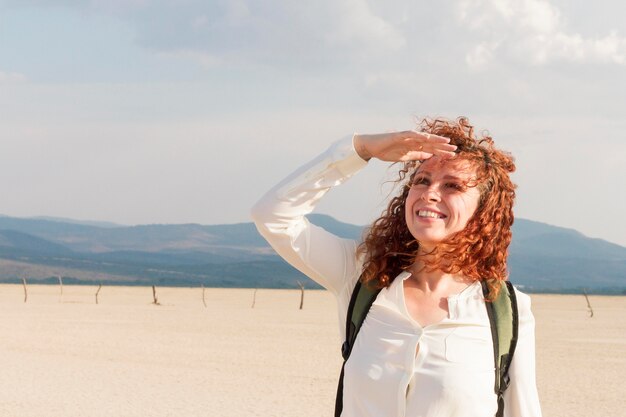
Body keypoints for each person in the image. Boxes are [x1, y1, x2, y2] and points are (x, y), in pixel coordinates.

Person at [250, 117, 542, 417]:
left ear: (484, 211)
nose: (429, 193)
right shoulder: (363, 276)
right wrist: (360, 149)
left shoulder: (506, 310)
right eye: (422, 180)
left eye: (453, 186)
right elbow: (273, 217)